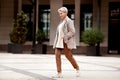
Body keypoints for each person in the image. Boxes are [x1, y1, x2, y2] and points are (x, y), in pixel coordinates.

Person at [53, 7, 80, 78]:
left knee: (68, 56)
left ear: (66, 13)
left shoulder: (69, 21)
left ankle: (77, 68)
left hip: (65, 41)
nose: (60, 15)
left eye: (61, 13)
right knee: (57, 55)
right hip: (59, 42)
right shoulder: (61, 22)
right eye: (59, 13)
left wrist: (65, 36)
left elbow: (73, 31)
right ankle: (59, 73)